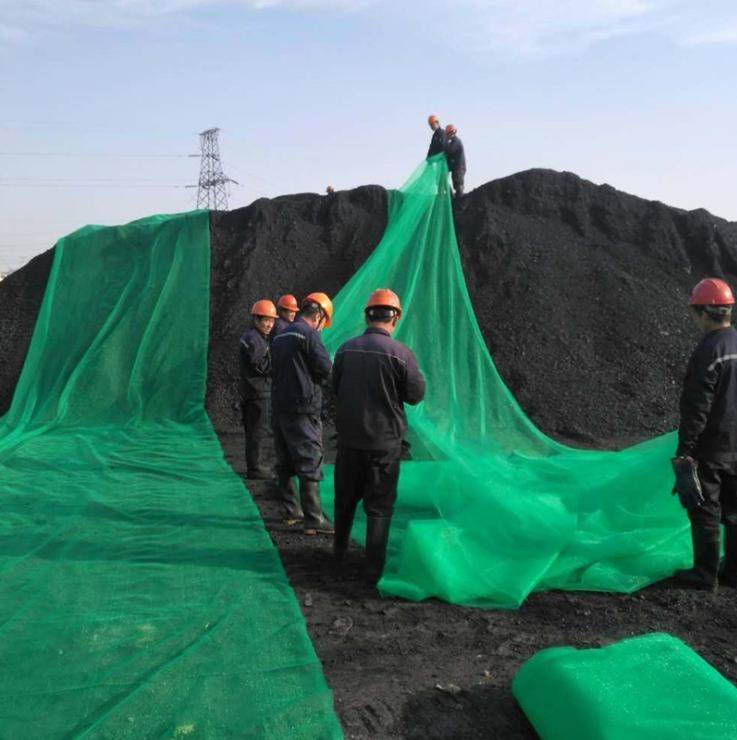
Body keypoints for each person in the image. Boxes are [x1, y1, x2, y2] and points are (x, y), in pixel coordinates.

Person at [331, 289, 426, 582]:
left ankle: (338, 554)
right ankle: (372, 568)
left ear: (367, 315)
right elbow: (415, 395)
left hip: (349, 441)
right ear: (394, 317)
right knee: (380, 505)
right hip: (384, 444)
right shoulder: (401, 354)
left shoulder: (346, 349)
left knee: (345, 499)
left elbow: (335, 388)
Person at [672, 277, 737, 590]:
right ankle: (734, 571)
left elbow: (697, 407)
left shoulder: (709, 351)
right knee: (736, 508)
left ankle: (704, 573)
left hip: (714, 444)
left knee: (705, 507)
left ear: (703, 312)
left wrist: (686, 450)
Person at [270, 292, 335, 535]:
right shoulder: (310, 335)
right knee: (309, 458)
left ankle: (292, 511)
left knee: (284, 461)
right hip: (302, 407)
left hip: (279, 406)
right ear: (319, 316)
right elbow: (325, 370)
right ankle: (314, 518)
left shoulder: (280, 334)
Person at [239, 299, 278, 479]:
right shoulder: (253, 339)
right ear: (256, 320)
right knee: (257, 431)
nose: (270, 325)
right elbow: (260, 365)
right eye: (266, 320)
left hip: (254, 390)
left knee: (256, 430)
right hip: (257, 392)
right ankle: (255, 468)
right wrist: (278, 361)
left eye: (272, 321)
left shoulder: (256, 337)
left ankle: (255, 465)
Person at [444, 124, 466, 197]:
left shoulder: (456, 141)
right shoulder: (454, 142)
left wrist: (445, 143)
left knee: (458, 183)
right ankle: (457, 198)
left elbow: (449, 151)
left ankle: (460, 200)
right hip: (456, 168)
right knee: (456, 183)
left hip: (459, 168)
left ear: (450, 133)